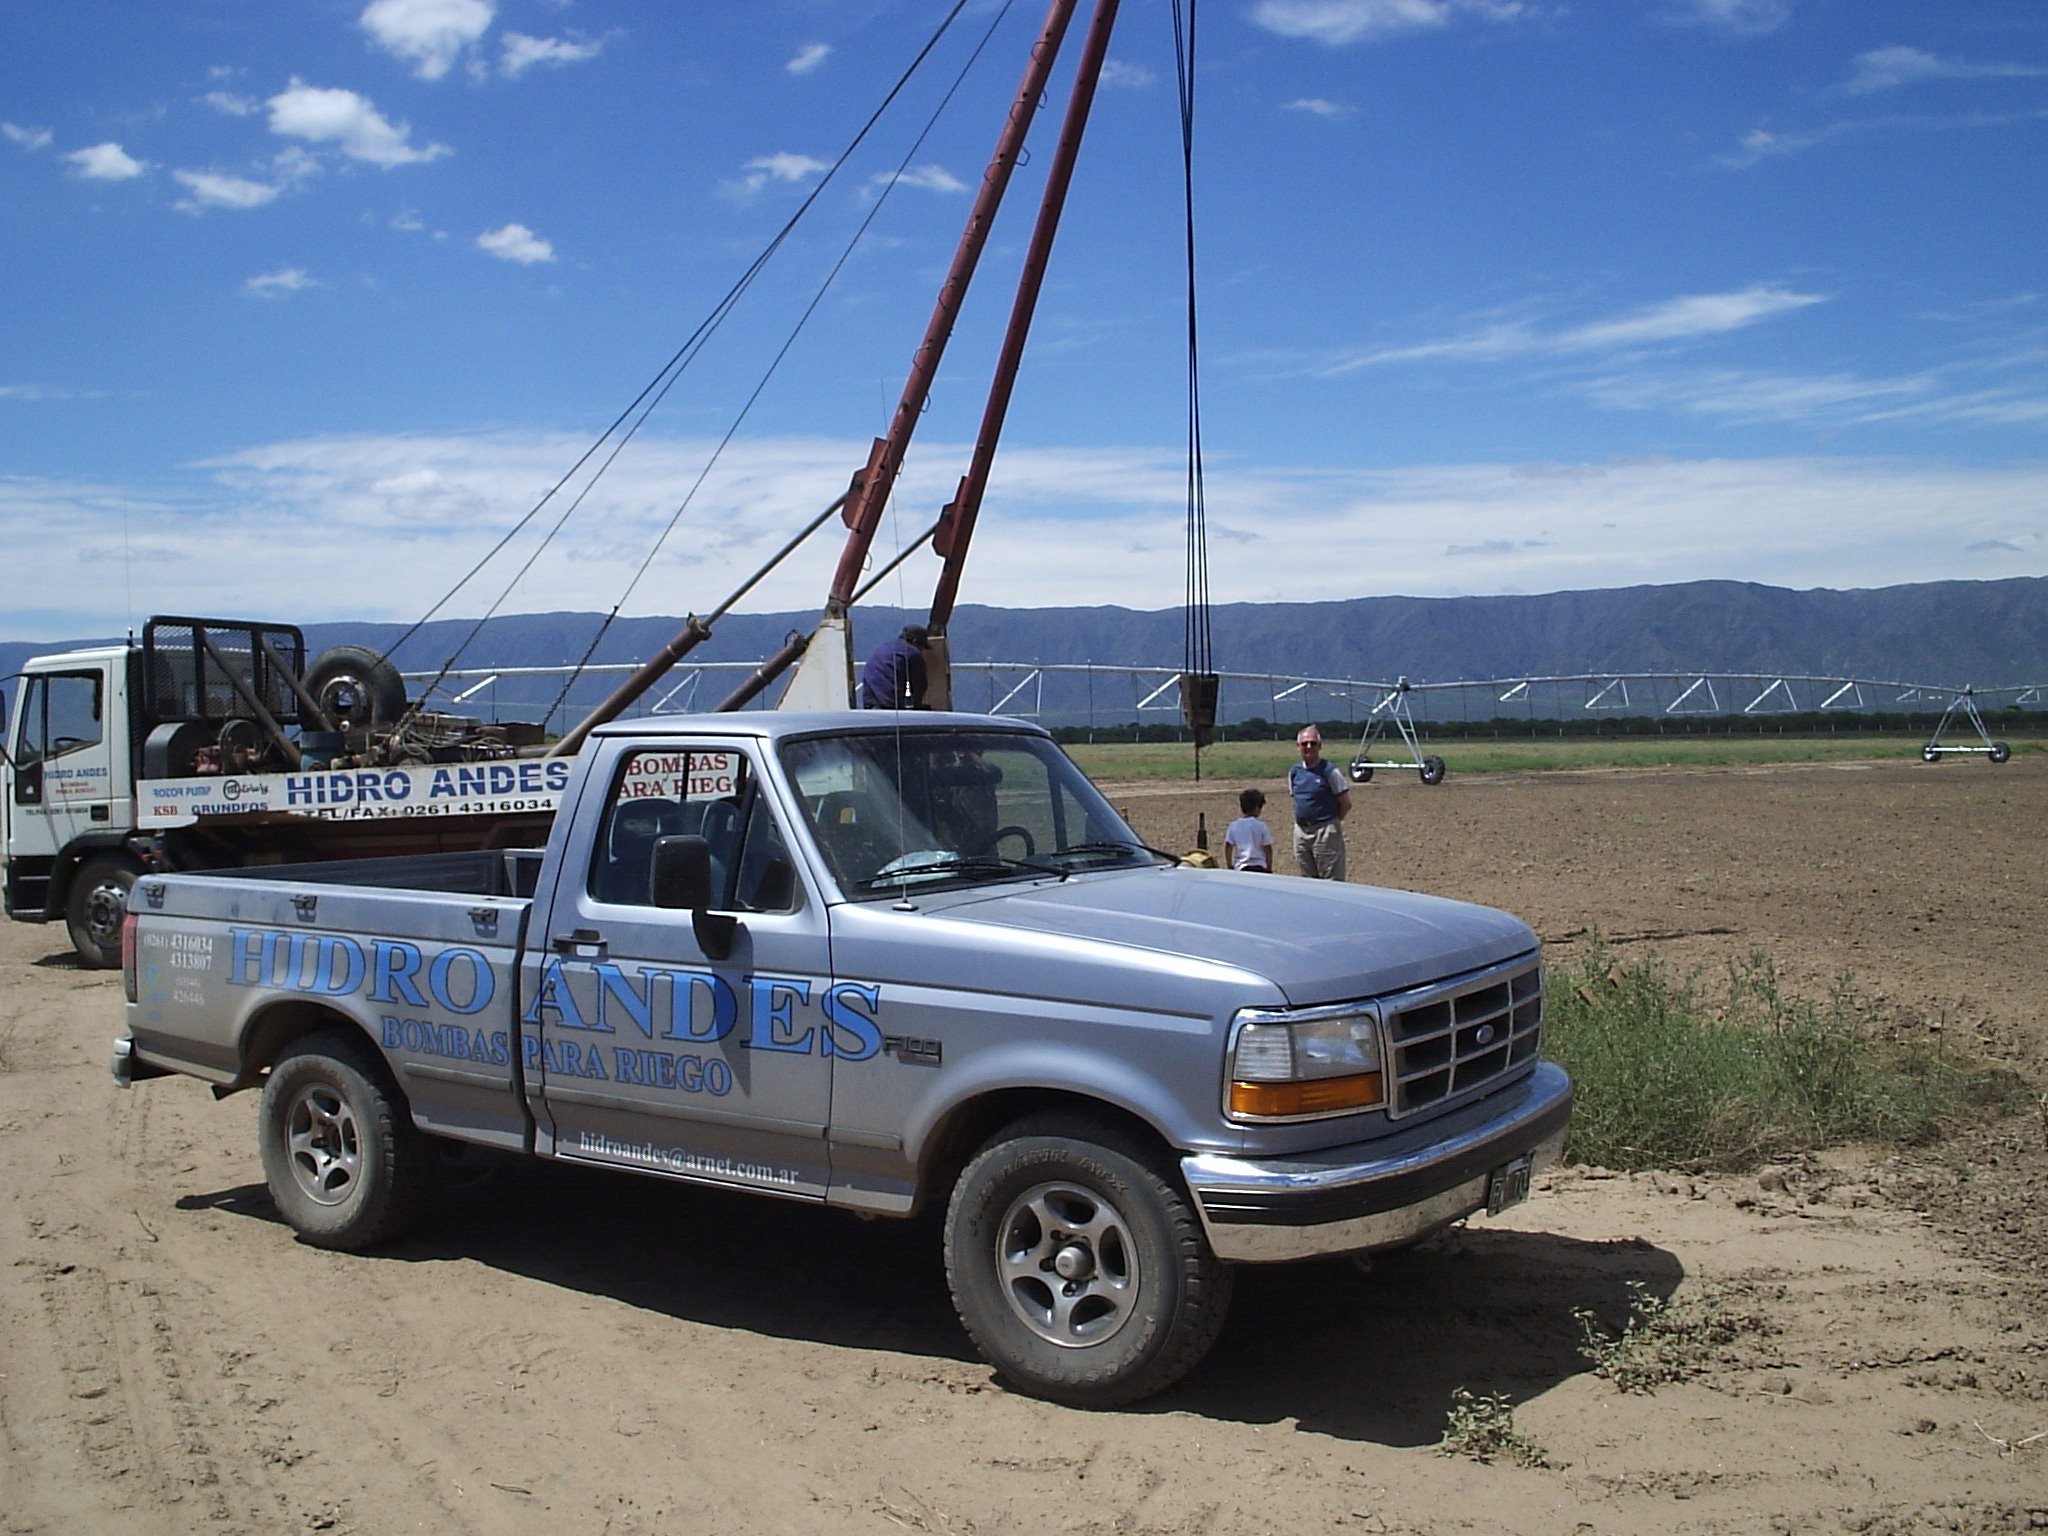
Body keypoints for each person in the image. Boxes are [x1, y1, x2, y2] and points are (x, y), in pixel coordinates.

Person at [1289, 726, 1351, 880]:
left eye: (1312, 743)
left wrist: (1332, 822)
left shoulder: (1329, 771)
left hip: (1325, 831)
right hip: (1302, 832)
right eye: (1304, 744)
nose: (1308, 747)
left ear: (1320, 746)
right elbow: (1295, 798)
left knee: (1331, 879)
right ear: (1298, 747)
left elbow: (1345, 803)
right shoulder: (1294, 772)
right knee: (1308, 880)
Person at [860, 625, 930, 709]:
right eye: (922, 648)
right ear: (915, 642)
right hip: (890, 705)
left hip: (870, 702)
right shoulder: (913, 653)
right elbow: (919, 685)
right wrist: (917, 708)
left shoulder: (884, 648)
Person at [1223, 787, 1273, 873]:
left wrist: (1229, 865)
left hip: (1241, 866)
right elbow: (1268, 848)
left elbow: (1228, 846)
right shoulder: (1261, 825)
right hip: (1260, 866)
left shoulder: (1234, 825)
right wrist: (1269, 867)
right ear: (1258, 807)